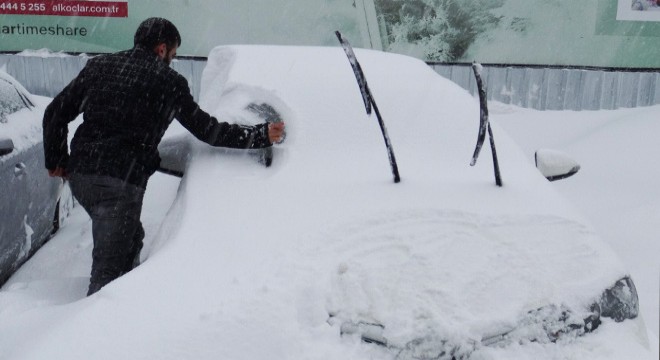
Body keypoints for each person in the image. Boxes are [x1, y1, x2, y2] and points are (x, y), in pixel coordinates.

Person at [43, 17, 285, 296]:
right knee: (107, 277)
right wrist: (260, 136)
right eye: (173, 54)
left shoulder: (100, 66)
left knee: (131, 240)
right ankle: (101, 323)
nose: (173, 60)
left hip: (82, 175)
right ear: (161, 49)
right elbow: (208, 130)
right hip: (118, 184)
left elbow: (54, 113)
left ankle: (129, 295)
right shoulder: (169, 82)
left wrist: (57, 160)